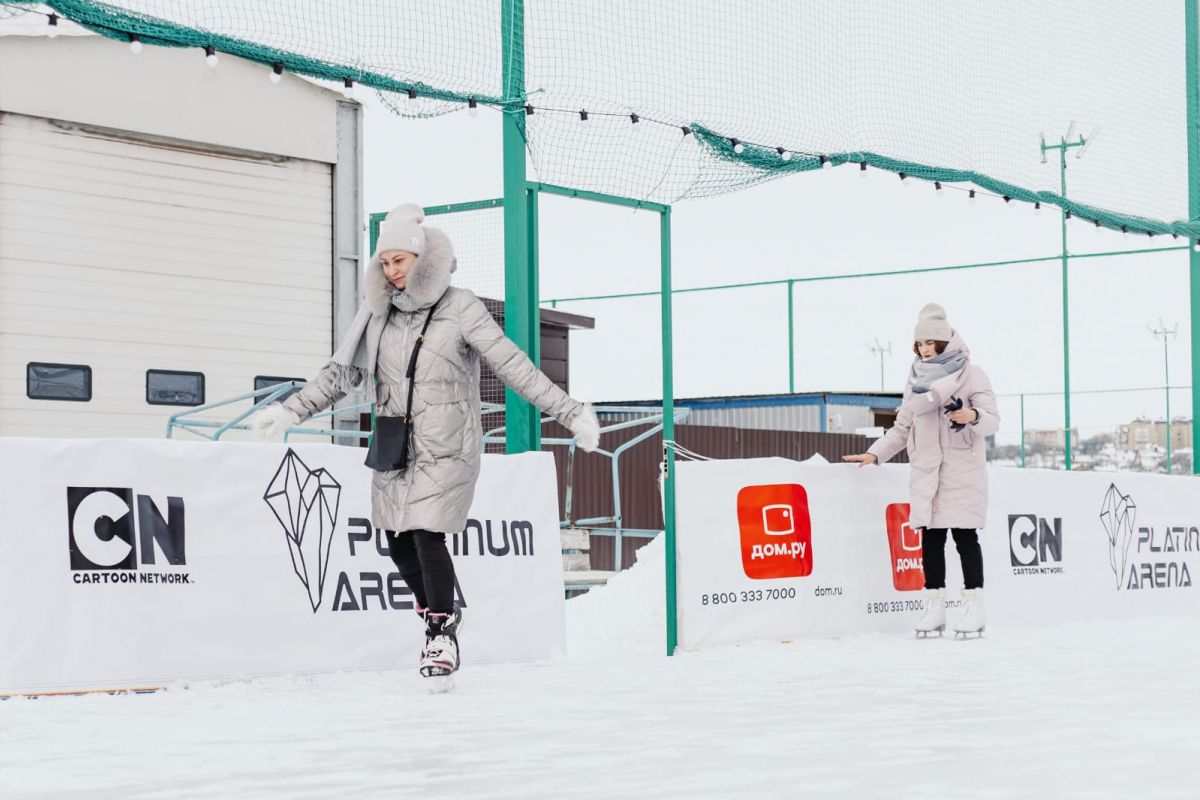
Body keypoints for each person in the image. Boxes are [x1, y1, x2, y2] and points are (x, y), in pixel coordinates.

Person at [253, 203, 600, 683]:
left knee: (424, 532)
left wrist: (570, 411)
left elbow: (511, 363)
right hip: (396, 445)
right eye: (386, 262)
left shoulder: (461, 306)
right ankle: (439, 614)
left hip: (448, 444)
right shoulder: (377, 315)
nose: (393, 271)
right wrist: (291, 410)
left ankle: (440, 631)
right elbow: (340, 376)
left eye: (401, 259)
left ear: (422, 257)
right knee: (396, 542)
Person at [843, 303, 999, 638]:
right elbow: (902, 428)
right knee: (930, 538)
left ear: (945, 342)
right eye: (920, 345)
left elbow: (992, 422)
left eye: (931, 343)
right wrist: (874, 454)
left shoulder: (973, 374)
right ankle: (935, 605)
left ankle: (974, 605)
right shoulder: (916, 380)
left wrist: (970, 417)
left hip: (962, 471)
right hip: (927, 470)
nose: (925, 350)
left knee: (964, 537)